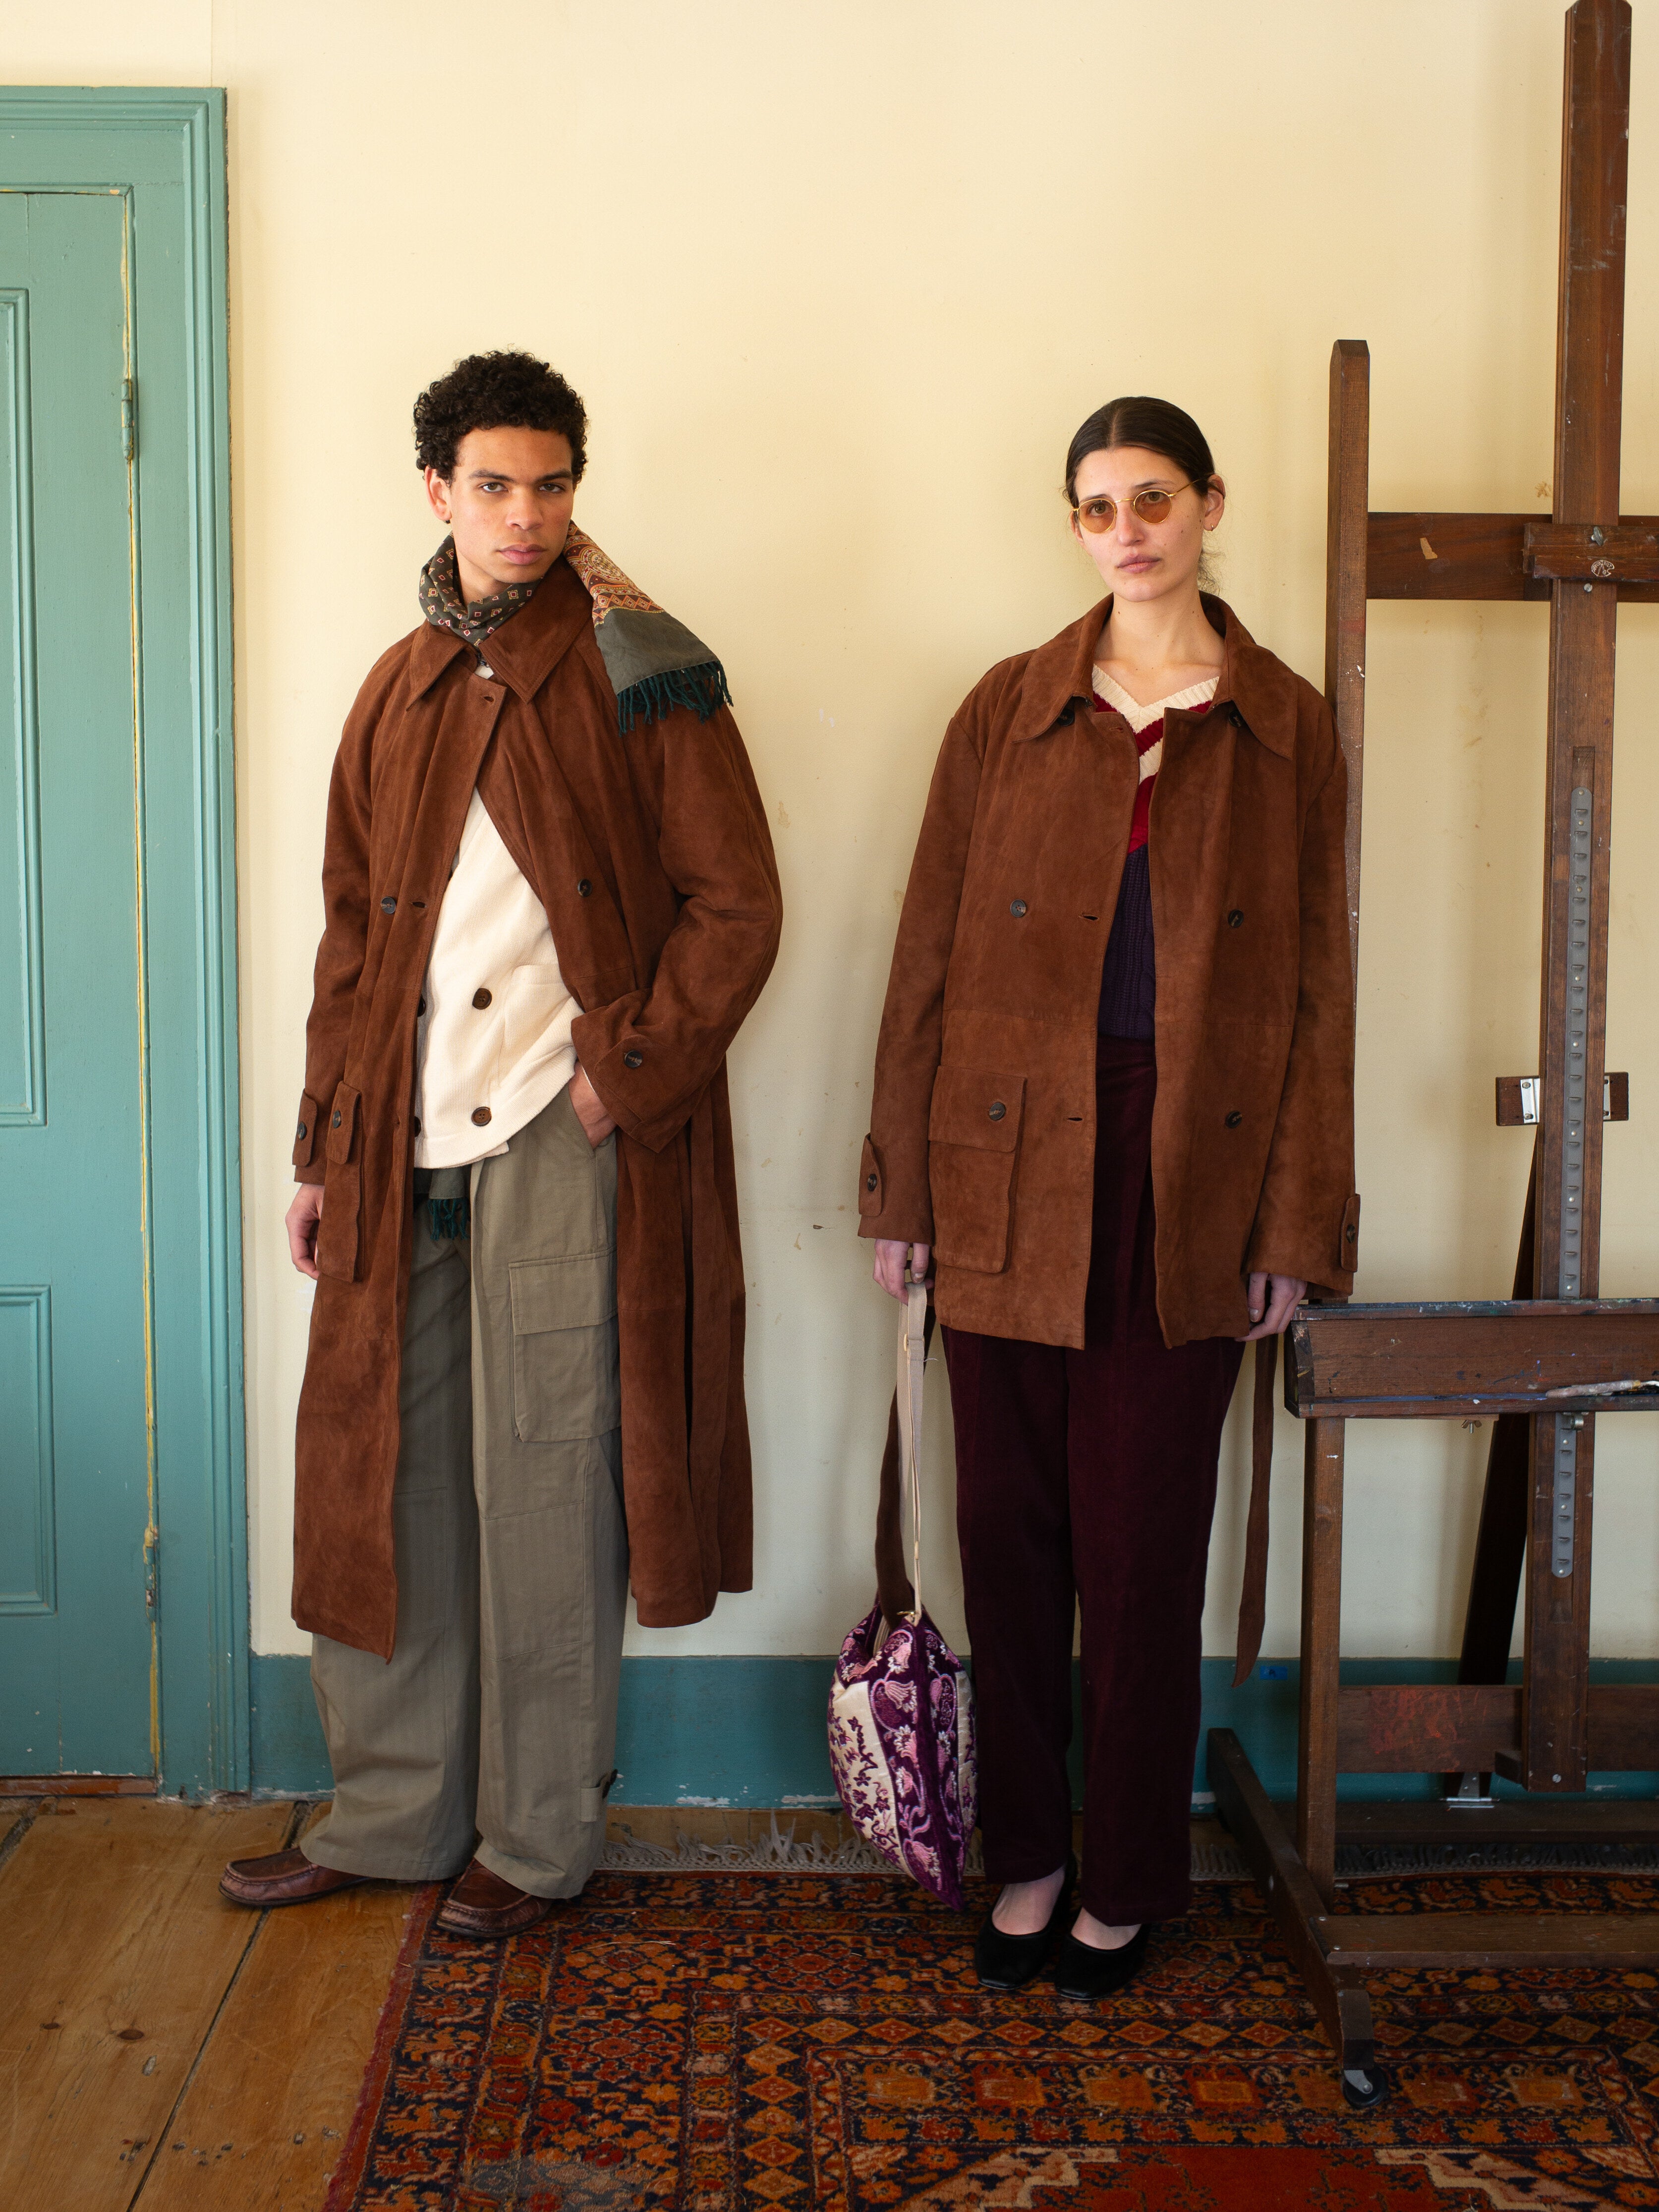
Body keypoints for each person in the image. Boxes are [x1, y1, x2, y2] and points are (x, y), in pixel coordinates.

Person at [222, 351, 781, 1935]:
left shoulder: (646, 672)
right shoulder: (394, 689)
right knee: (377, 1476)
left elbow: (738, 904)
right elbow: (350, 946)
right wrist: (325, 1149)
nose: (523, 517)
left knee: (545, 1491)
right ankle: (391, 1818)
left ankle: (535, 1842)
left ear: (573, 493)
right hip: (400, 1149)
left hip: (559, 1133)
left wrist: (623, 1076)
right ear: (436, 494)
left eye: (549, 486)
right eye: (492, 485)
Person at [858, 396, 1356, 2000]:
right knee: (1006, 1532)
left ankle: (1129, 1870)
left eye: (1152, 497)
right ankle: (1029, 1854)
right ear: (1072, 526)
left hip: (1188, 1165)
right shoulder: (1008, 708)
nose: (1126, 528)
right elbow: (924, 957)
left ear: (1211, 502)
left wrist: (1296, 1220)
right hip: (1000, 1156)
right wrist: (901, 1185)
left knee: (1144, 1545)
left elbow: (1320, 990)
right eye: (1094, 506)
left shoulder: (1282, 721)